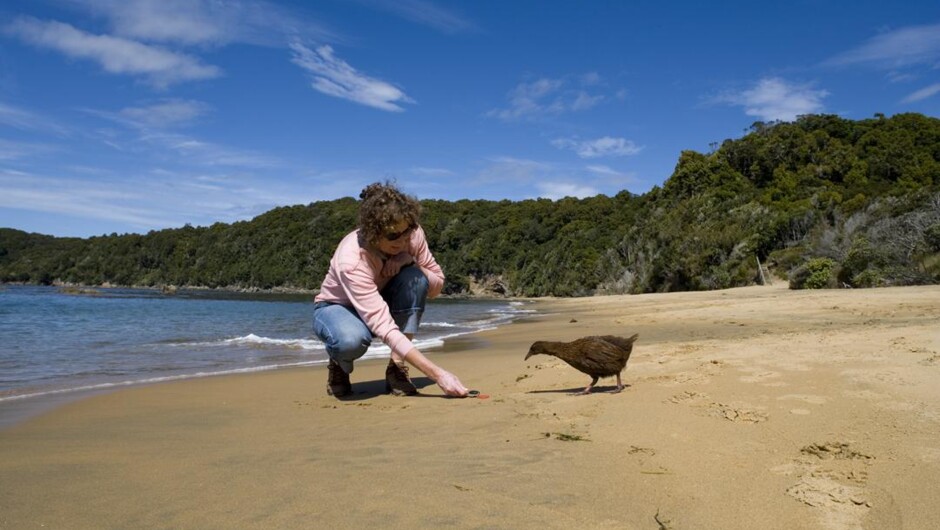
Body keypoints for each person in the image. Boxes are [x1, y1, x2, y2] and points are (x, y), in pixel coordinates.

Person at [312, 181, 469, 398]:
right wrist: (438, 375)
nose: (403, 239)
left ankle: (396, 367)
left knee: (416, 278)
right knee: (350, 341)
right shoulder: (352, 260)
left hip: (382, 298)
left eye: (407, 231)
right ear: (372, 233)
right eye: (393, 235)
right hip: (337, 307)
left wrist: (411, 261)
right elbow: (383, 326)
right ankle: (339, 362)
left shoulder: (412, 236)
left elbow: (435, 286)